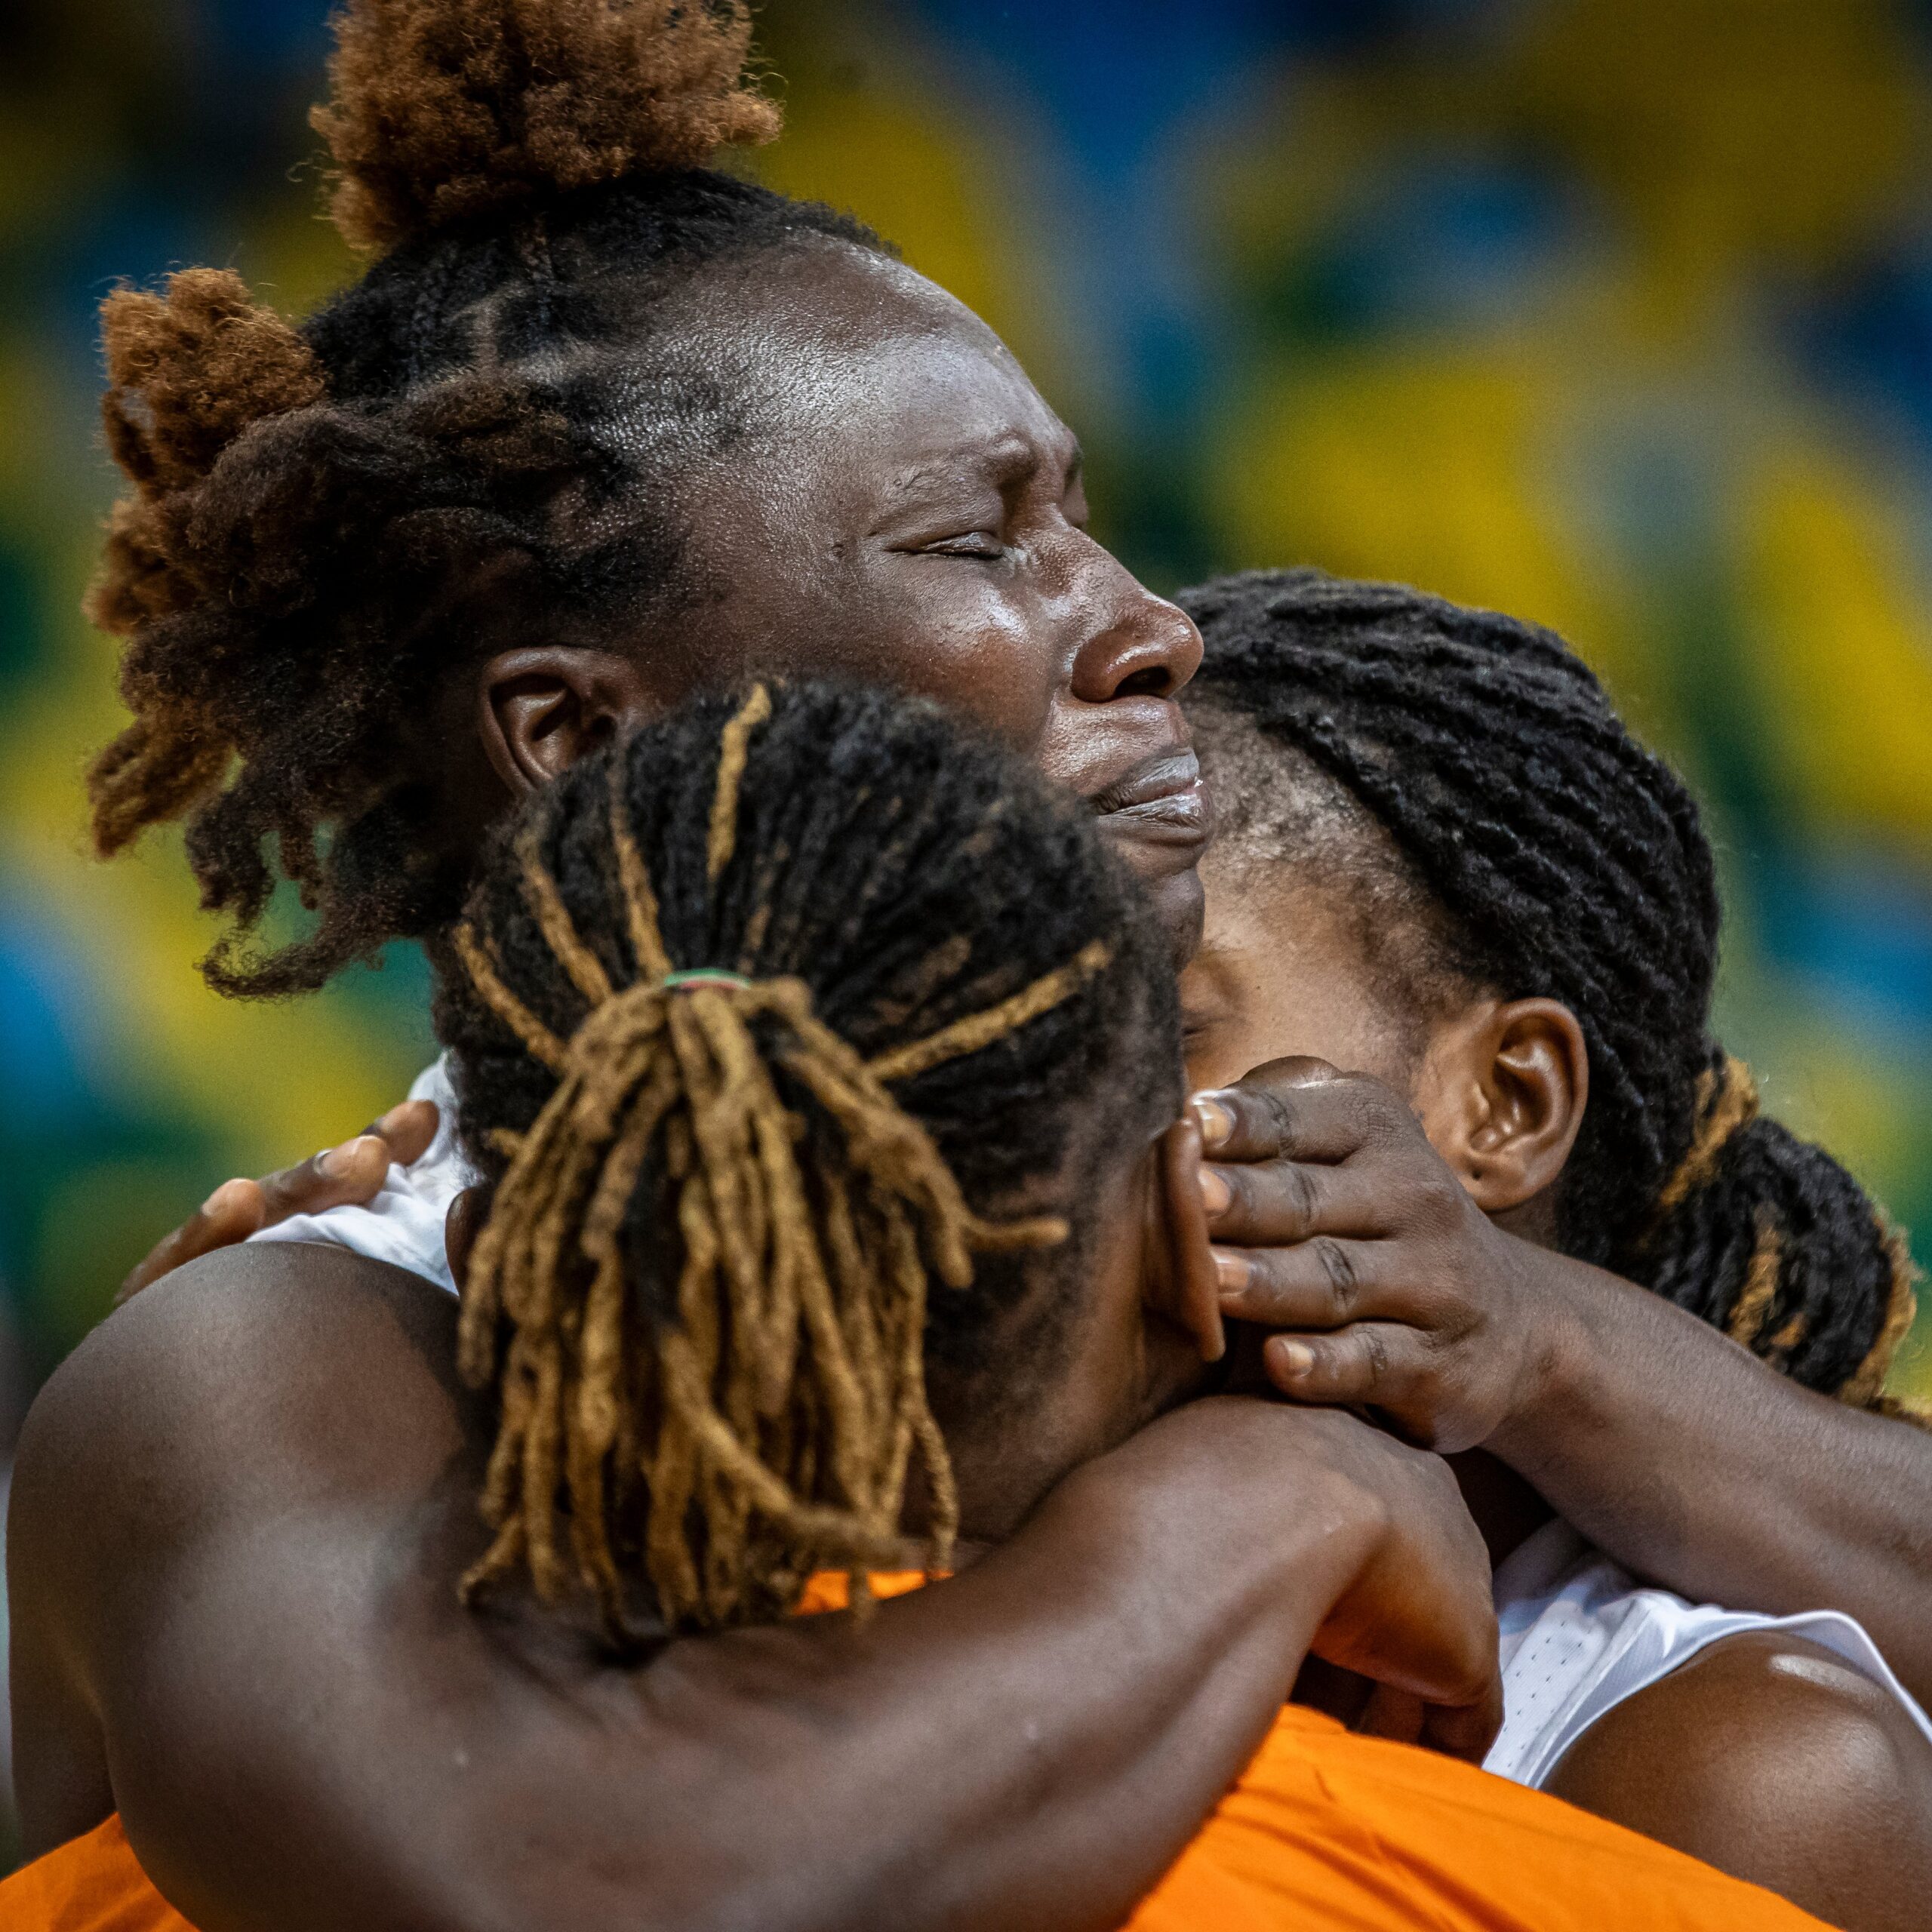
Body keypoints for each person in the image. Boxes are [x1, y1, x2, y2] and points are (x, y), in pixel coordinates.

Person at [11, 4, 1510, 1921]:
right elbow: (544, 1896)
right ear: (576, 740)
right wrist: (1262, 1508)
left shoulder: (1292, 1235)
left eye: (1088, 513)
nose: (1151, 627)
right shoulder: (276, 1356)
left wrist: (1547, 1349)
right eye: (980, 541)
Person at [6, 681, 1834, 1930]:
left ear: (500, 1247)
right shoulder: (1538, 1884)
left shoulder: (202, 1827)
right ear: (1180, 1256)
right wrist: (1267, 1503)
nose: (1125, 626)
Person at [1175, 567, 1932, 1929]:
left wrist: (1533, 1328)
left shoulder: (1731, 1772)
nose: (1053, 1097)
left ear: (1503, 1103)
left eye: (1170, 1028)